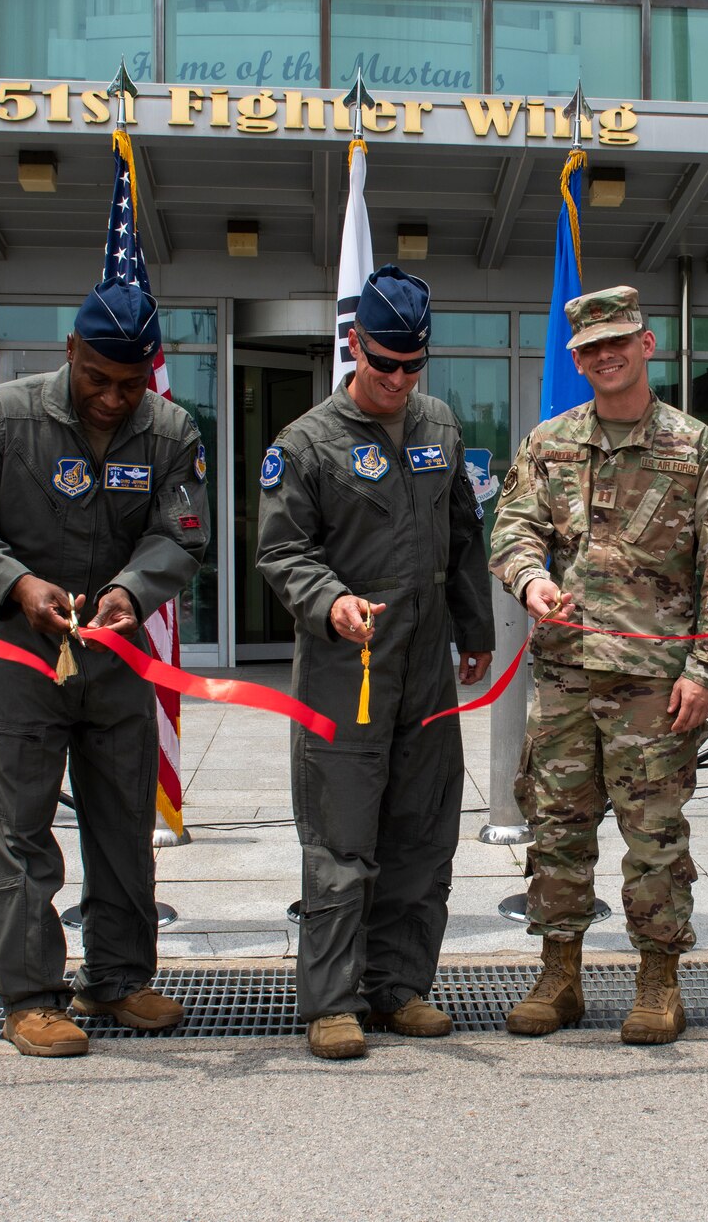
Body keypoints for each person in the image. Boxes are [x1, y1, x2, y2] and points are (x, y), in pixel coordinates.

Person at [0, 276, 208, 1058]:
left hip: (117, 658)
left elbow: (182, 533)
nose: (115, 399)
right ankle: (31, 996)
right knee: (20, 827)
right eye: (98, 379)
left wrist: (130, 588)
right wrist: (16, 582)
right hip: (22, 653)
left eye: (131, 383)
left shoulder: (171, 429)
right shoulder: (1, 417)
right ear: (70, 351)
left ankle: (118, 977)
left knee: (123, 820)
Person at [489, 285, 708, 1046]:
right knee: (558, 828)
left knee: (655, 836)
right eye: (591, 349)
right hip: (567, 675)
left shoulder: (694, 446)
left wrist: (705, 671)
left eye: (619, 342)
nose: (606, 357)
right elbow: (511, 527)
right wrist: (531, 578)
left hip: (654, 684)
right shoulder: (550, 442)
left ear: (647, 345)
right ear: (576, 359)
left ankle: (658, 980)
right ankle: (559, 974)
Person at [255, 265, 495, 1060]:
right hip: (347, 662)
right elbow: (282, 551)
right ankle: (332, 1000)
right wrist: (330, 601)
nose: (397, 380)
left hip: (425, 659)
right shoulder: (306, 443)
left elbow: (463, 535)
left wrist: (476, 629)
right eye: (383, 362)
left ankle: (400, 986)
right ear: (354, 346)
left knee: (423, 832)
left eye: (411, 366)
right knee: (341, 838)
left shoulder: (439, 425)